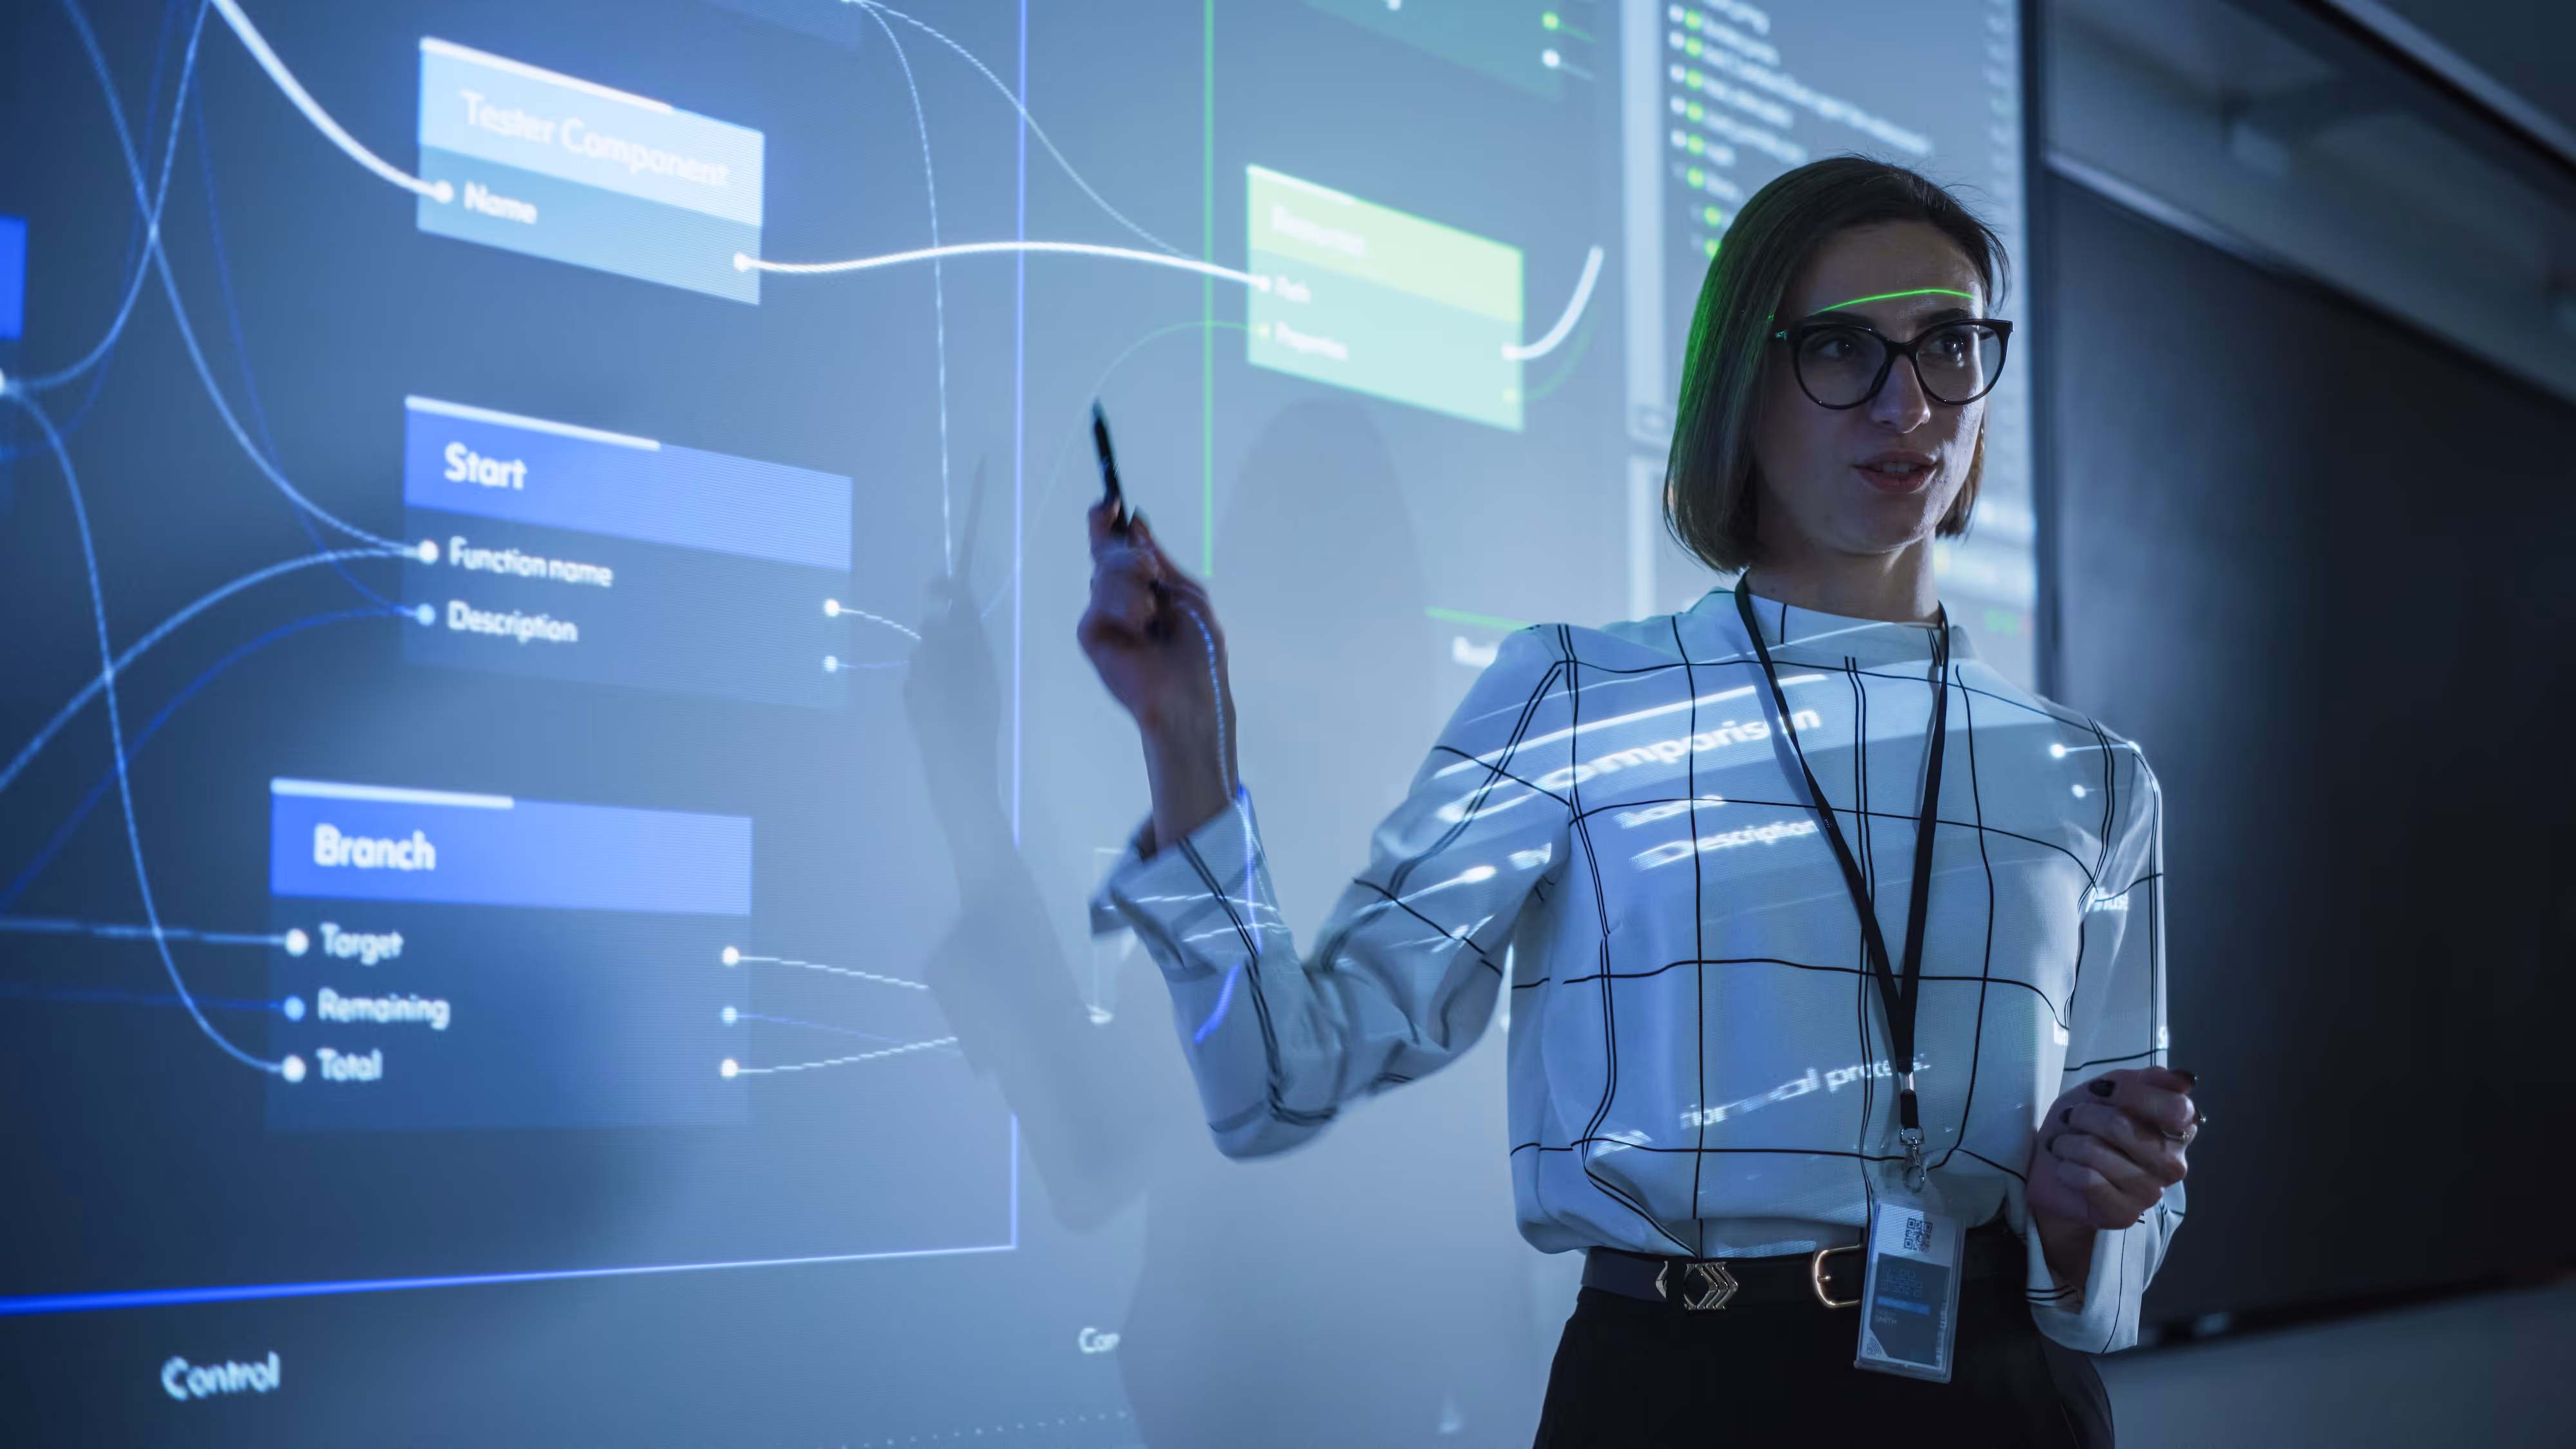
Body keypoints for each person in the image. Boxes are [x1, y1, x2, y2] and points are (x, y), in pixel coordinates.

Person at [1077, 157, 2197, 1448]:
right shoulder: (1573, 697)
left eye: (1947, 344)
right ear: (1740, 387)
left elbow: (2115, 1264)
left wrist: (2082, 1207)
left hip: (1997, 1395)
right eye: (1842, 348)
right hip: (1676, 1389)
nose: (1907, 403)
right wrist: (1184, 744)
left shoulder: (2090, 774)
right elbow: (1279, 1081)